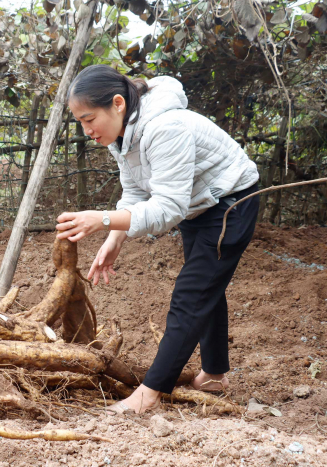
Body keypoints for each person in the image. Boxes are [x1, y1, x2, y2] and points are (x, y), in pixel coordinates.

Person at [54, 65, 260, 414]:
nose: (87, 130)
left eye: (89, 119)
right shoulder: (122, 135)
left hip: (229, 203)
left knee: (191, 295)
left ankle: (149, 394)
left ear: (117, 103)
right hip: (200, 205)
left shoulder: (164, 127)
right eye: (80, 122)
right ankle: (214, 374)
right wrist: (114, 240)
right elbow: (135, 189)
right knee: (207, 288)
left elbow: (167, 208)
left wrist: (102, 220)